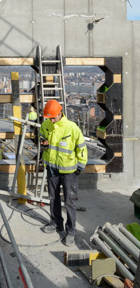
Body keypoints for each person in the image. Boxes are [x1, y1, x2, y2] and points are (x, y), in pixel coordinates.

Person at [39, 99, 87, 246]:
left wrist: (80, 167)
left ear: (60, 114)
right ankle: (56, 223)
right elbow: (42, 136)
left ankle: (71, 231)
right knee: (53, 198)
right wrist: (43, 141)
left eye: (53, 117)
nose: (51, 120)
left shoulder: (71, 128)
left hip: (69, 171)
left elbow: (81, 148)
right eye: (49, 118)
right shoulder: (46, 124)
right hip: (52, 168)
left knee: (69, 202)